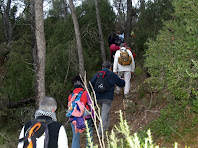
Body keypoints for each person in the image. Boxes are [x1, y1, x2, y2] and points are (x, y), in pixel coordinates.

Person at [90, 61, 125, 138]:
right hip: (107, 97)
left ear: (102, 67)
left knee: (106, 112)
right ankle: (100, 133)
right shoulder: (111, 74)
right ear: (110, 68)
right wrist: (123, 80)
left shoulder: (97, 74)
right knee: (104, 114)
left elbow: (90, 84)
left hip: (98, 98)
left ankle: (106, 127)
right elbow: (121, 83)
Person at [68, 75, 93, 148]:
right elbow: (91, 106)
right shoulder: (86, 93)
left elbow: (70, 108)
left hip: (74, 118)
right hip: (86, 117)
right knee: (89, 134)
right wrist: (94, 118)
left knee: (75, 137)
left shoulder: (71, 96)